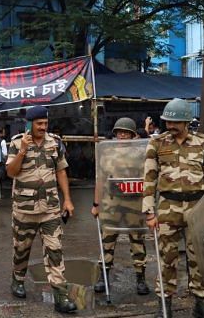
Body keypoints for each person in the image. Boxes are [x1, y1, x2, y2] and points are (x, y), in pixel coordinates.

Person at [143, 98, 204, 318]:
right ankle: (164, 304)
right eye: (167, 122)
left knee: (199, 257)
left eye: (175, 123)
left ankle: (201, 302)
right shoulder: (157, 143)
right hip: (168, 206)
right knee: (167, 257)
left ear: (186, 122)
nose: (170, 126)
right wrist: (149, 212)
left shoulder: (203, 143)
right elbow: (149, 179)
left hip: (197, 207)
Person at [6, 105, 77, 313]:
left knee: (55, 250)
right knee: (21, 249)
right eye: (39, 124)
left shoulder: (55, 142)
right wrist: (22, 151)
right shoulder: (17, 142)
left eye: (45, 123)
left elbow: (62, 171)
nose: (43, 127)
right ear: (29, 124)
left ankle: (60, 296)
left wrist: (68, 200)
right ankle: (17, 279)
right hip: (24, 209)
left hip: (50, 209)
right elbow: (11, 172)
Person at [91, 117, 150, 295]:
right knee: (107, 242)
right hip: (111, 204)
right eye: (119, 132)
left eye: (126, 133)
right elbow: (100, 180)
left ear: (133, 135)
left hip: (134, 203)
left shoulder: (141, 153)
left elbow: (148, 180)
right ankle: (103, 277)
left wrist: (149, 205)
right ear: (115, 134)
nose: (122, 135)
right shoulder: (107, 153)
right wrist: (96, 204)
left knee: (137, 242)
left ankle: (140, 278)